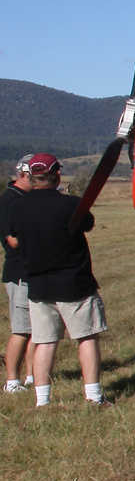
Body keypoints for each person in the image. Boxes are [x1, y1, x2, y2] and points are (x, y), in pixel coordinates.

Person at [2, 154, 109, 406]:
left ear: (30, 176)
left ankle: (43, 400)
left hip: (37, 285)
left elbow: (15, 239)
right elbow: (88, 224)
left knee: (44, 343)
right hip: (74, 283)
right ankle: (93, 396)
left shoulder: (17, 207)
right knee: (87, 337)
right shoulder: (71, 204)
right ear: (57, 175)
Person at [2, 155, 36, 393]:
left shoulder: (25, 199)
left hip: (33, 271)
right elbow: (11, 240)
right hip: (19, 272)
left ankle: (33, 376)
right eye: (36, 176)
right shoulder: (9, 201)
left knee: (37, 329)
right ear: (23, 175)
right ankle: (12, 381)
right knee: (22, 330)